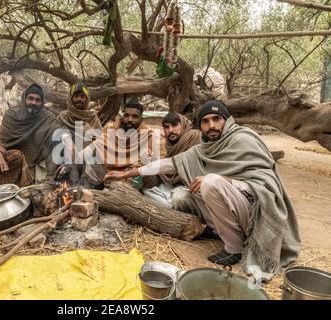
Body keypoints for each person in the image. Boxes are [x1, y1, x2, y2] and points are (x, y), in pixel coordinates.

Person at [105, 100, 301, 279]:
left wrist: (225, 180)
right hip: (233, 209)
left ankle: (234, 248)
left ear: (227, 120)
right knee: (189, 190)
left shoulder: (243, 139)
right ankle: (221, 232)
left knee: (209, 183)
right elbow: (169, 164)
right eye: (205, 121)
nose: (211, 125)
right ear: (200, 126)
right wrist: (126, 174)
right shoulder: (203, 149)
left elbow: (264, 184)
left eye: (217, 119)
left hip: (255, 214)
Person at [0, 83, 73, 183]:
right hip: (16, 160)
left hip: (39, 160)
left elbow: (59, 128)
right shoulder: (11, 115)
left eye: (37, 100)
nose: (33, 102)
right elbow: (3, 142)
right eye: (30, 98)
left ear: (42, 102)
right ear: (24, 99)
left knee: (58, 144)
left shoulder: (46, 116)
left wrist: (69, 142)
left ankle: (49, 181)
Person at [83, 97, 155, 185]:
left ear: (141, 119)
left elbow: (147, 163)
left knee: (140, 177)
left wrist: (124, 174)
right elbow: (98, 145)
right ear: (122, 116)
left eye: (135, 116)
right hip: (107, 170)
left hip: (130, 174)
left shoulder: (147, 134)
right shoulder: (112, 129)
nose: (130, 119)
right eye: (127, 115)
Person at [142, 112, 201, 207]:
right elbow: (153, 183)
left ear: (183, 125)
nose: (171, 130)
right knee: (146, 190)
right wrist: (148, 163)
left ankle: (170, 206)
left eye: (175, 125)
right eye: (166, 127)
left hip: (195, 187)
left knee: (179, 197)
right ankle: (171, 206)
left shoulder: (195, 137)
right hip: (175, 187)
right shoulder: (171, 147)